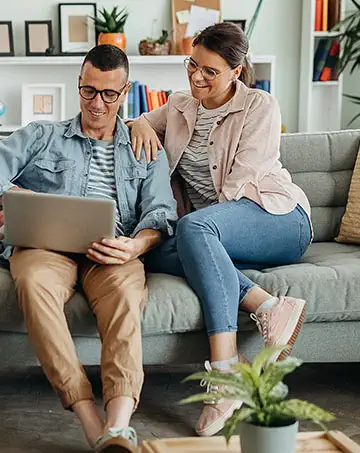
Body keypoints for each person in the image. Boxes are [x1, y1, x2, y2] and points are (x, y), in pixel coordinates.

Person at [0, 44, 177, 452]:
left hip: (112, 250)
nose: (97, 103)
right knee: (34, 284)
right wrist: (14, 195)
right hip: (45, 246)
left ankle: (120, 426)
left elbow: (161, 213)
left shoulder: (145, 147)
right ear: (78, 85)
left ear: (125, 93)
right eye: (88, 91)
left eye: (109, 94)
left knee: (127, 296)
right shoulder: (43, 135)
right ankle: (89, 418)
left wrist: (134, 246)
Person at [125, 22, 312, 437]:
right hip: (212, 232)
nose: (196, 77)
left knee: (192, 230)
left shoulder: (259, 106)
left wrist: (198, 231)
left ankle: (224, 374)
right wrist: (138, 123)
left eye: (210, 71)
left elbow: (234, 191)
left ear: (236, 71)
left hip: (277, 218)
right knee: (155, 248)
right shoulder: (177, 106)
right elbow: (136, 124)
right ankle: (267, 305)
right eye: (193, 65)